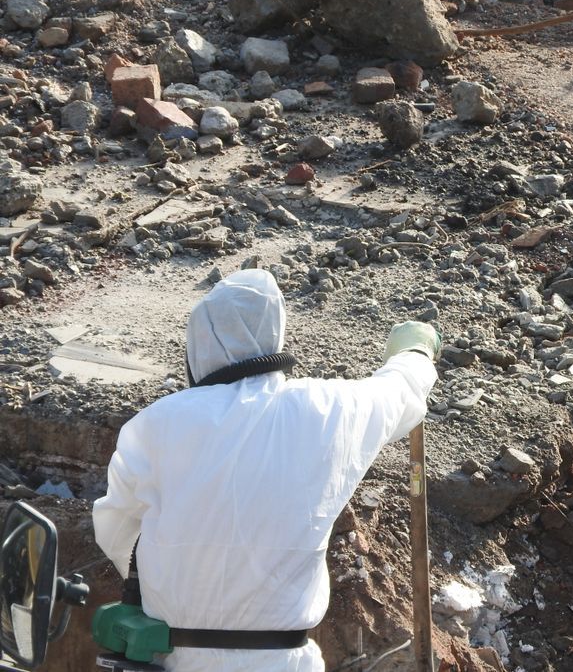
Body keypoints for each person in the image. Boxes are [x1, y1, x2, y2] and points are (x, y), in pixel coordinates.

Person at [92, 269, 440, 672]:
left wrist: (165, 584)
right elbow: (399, 392)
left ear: (198, 342)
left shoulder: (156, 423)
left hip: (174, 658)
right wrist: (414, 351)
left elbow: (117, 531)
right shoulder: (325, 409)